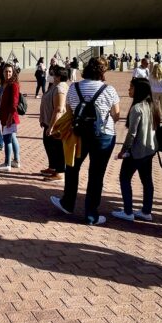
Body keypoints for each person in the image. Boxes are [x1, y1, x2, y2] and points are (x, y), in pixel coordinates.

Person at [51, 57, 121, 226]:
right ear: (102, 72)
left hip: (79, 134)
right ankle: (91, 215)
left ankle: (68, 202)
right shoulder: (109, 90)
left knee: (73, 167)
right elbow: (116, 115)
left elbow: (70, 111)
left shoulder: (74, 88)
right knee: (96, 174)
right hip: (103, 135)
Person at [112, 78, 157, 222]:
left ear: (138, 90)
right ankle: (146, 210)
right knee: (147, 180)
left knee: (124, 178)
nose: (129, 90)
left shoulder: (137, 108)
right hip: (149, 149)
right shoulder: (152, 106)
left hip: (136, 150)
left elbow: (132, 133)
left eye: (131, 87)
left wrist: (124, 150)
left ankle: (127, 211)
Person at [39, 65, 68, 182]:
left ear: (58, 77)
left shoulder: (60, 88)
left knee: (57, 148)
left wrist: (51, 126)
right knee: (48, 145)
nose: (51, 76)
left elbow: (59, 109)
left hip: (56, 124)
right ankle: (53, 167)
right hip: (48, 121)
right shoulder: (54, 86)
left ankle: (60, 172)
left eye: (53, 74)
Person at [0, 64, 22, 171]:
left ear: (13, 73)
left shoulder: (13, 85)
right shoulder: (4, 84)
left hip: (10, 116)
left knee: (7, 139)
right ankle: (16, 161)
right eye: (6, 71)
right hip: (4, 115)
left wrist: (9, 118)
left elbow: (14, 103)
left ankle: (7, 164)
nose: (8, 73)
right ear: (2, 72)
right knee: (12, 137)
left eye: (10, 72)